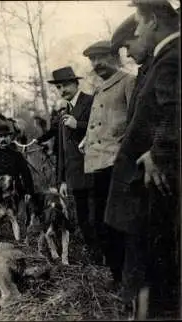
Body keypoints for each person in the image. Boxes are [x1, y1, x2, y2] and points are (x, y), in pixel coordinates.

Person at [106, 1, 180, 319]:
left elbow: (174, 109)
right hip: (141, 183)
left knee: (153, 267)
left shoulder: (171, 59)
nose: (136, 30)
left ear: (151, 22)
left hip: (152, 184)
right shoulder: (163, 59)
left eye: (138, 24)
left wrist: (158, 152)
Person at [107, 13, 155, 318]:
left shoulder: (164, 68)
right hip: (132, 171)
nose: (127, 54)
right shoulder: (147, 70)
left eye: (129, 44)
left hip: (148, 172)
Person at [80, 40, 136, 289]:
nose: (96, 64)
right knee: (100, 222)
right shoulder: (100, 89)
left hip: (117, 164)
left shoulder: (128, 81)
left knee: (117, 223)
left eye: (101, 57)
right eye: (92, 60)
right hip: (97, 164)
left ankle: (125, 279)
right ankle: (117, 275)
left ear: (117, 56)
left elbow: (136, 123)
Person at [47, 66, 97, 262]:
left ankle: (103, 260)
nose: (62, 90)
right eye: (58, 87)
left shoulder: (91, 102)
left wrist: (79, 126)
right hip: (74, 176)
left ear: (76, 83)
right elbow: (61, 150)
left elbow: (104, 131)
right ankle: (93, 257)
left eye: (66, 85)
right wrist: (62, 180)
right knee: (83, 218)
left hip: (93, 171)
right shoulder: (63, 111)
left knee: (96, 217)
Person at [0, 122, 36, 203]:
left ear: (10, 138)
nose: (3, 139)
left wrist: (29, 192)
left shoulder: (17, 155)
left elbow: (26, 175)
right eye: (0, 136)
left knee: (22, 212)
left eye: (5, 136)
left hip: (15, 194)